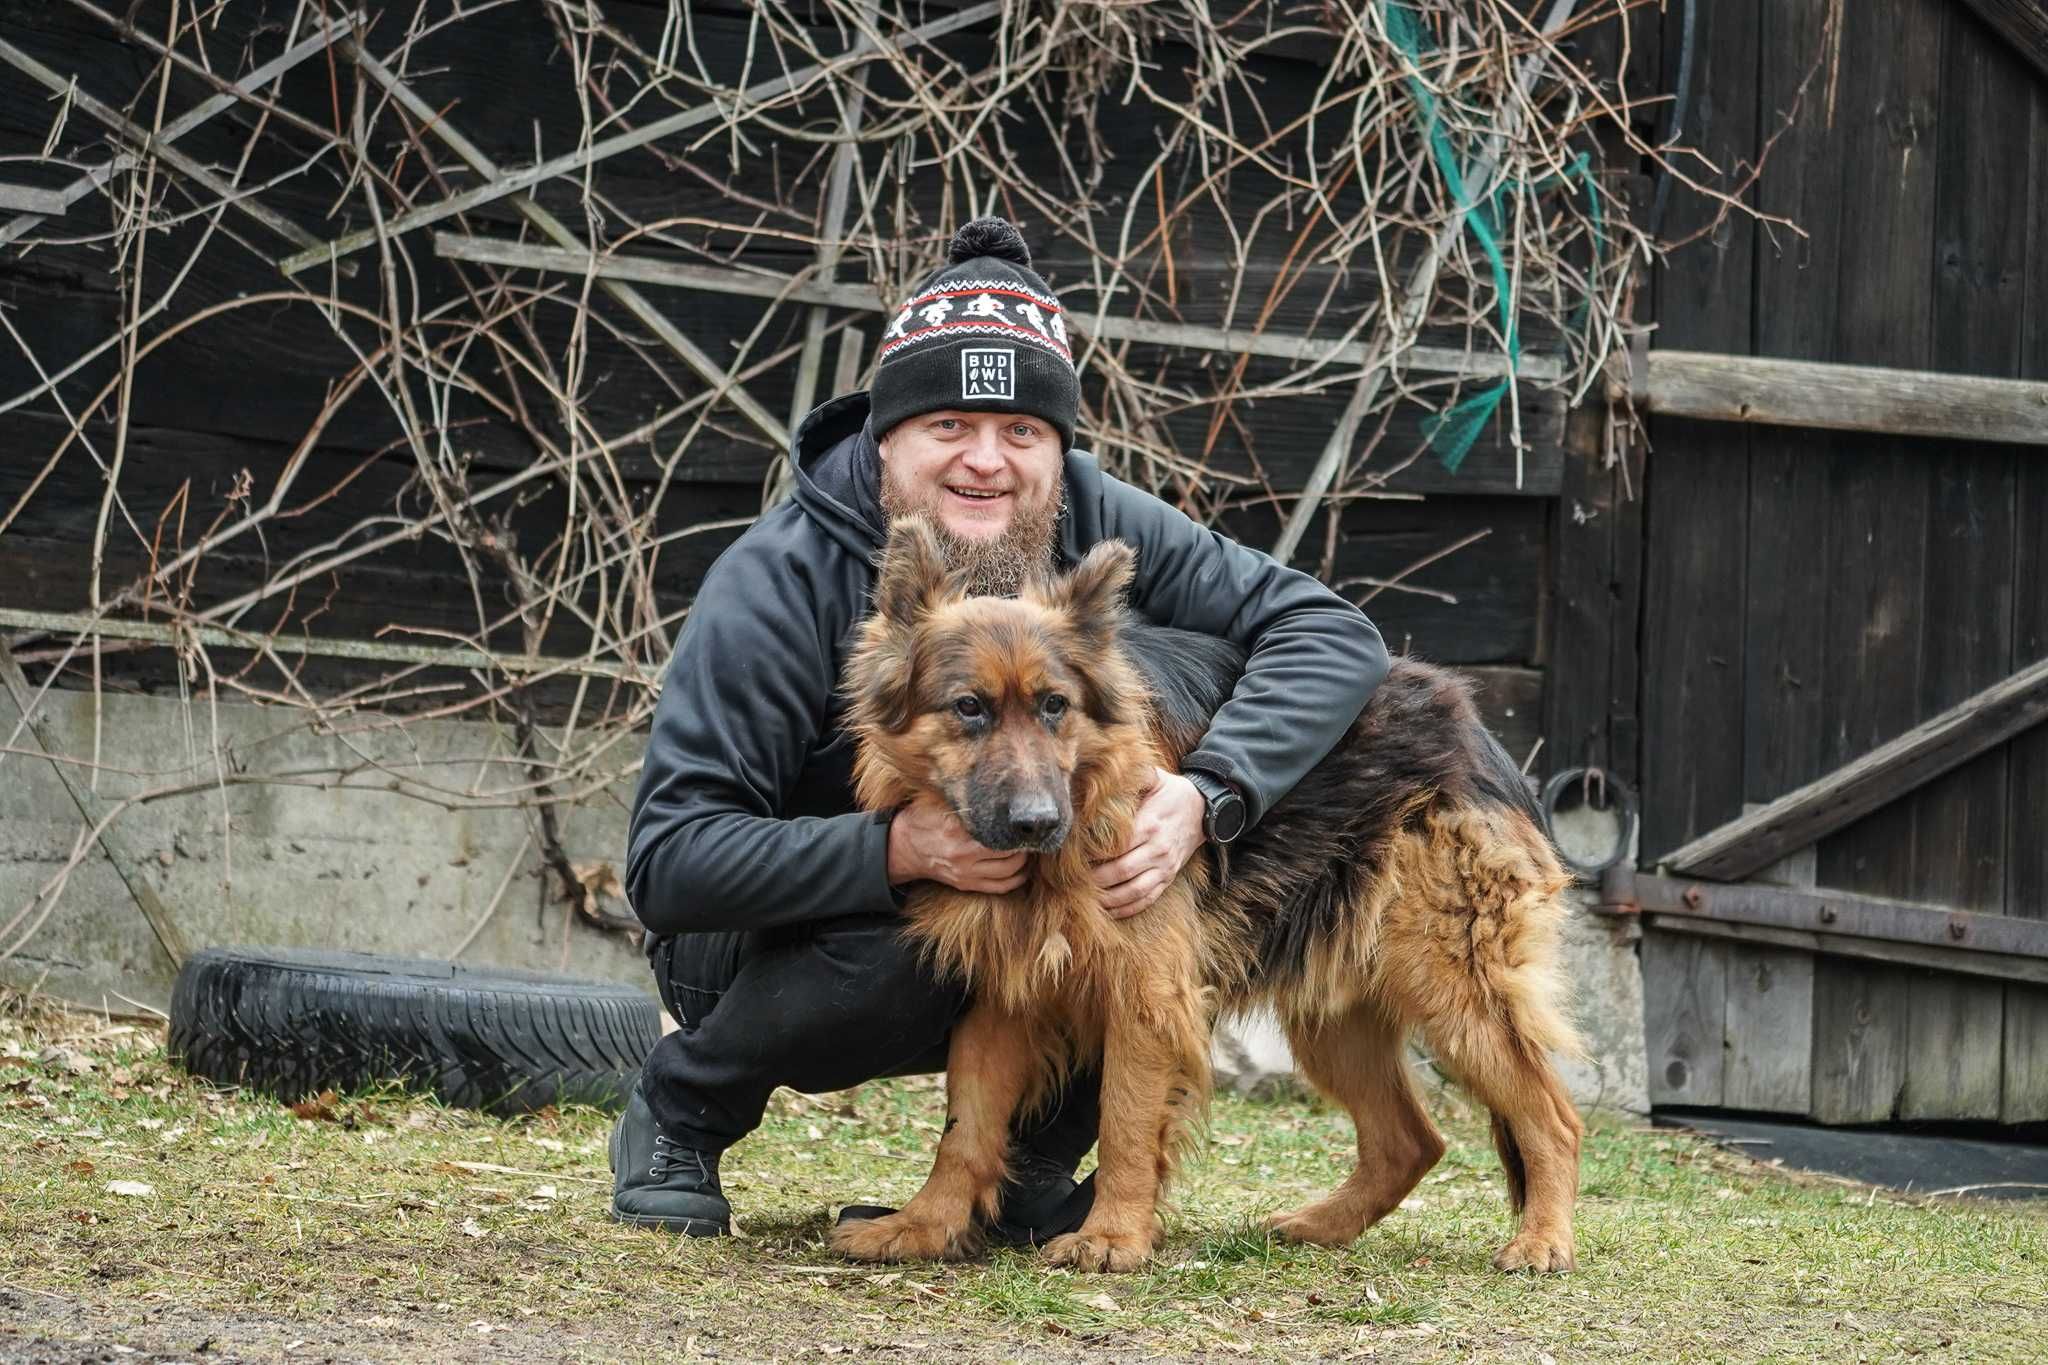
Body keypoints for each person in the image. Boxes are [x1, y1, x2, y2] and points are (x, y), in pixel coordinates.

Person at [612, 217, 1391, 1239]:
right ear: (885, 435)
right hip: (777, 932)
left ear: (1056, 448)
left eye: (1020, 432)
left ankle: (1017, 1172)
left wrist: (1208, 795)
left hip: (1014, 864)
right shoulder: (777, 580)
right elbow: (670, 862)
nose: (986, 462)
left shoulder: (1080, 513)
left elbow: (1330, 633)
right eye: (948, 426)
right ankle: (683, 1109)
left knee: (1095, 900)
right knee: (930, 931)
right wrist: (892, 847)